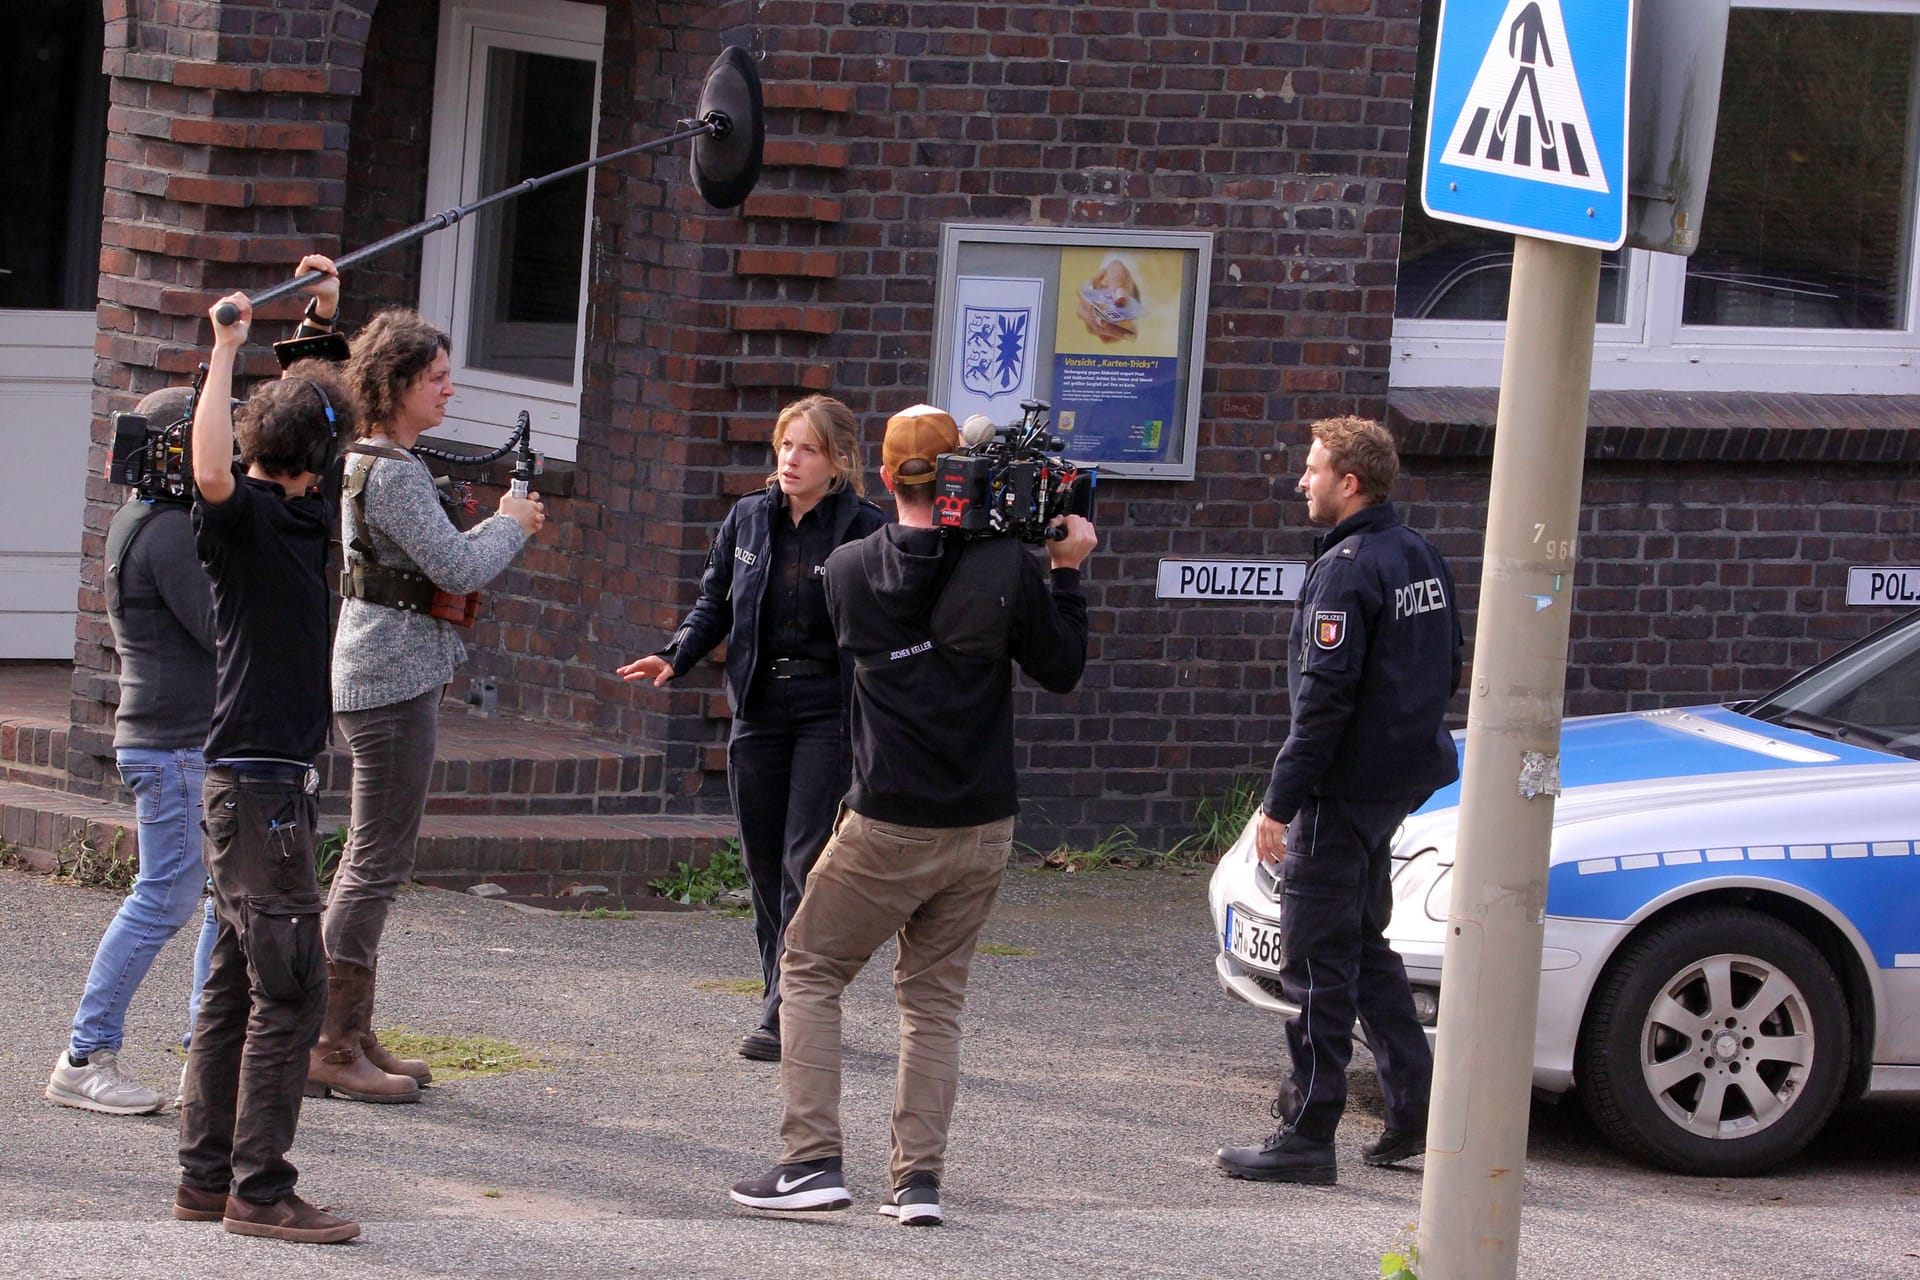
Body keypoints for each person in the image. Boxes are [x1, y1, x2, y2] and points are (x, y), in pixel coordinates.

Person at [729, 403, 1096, 1226]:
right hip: (982, 823)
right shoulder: (1008, 566)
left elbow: (897, 587)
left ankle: (811, 1161)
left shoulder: (852, 568)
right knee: (932, 1003)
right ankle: (917, 1183)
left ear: (886, 475)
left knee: (811, 968)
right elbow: (1062, 667)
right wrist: (1065, 570)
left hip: (888, 817)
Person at [1214, 415, 1463, 1186]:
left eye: (1313, 469)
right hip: (1393, 782)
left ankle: (1307, 1130)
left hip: (1342, 788)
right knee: (1360, 944)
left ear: (1348, 482)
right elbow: (1446, 662)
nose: (1302, 481)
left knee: (1316, 959)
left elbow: (1323, 702)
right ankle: (1418, 1110)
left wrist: (1279, 805)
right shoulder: (1418, 552)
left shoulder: (1347, 569)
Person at [306, 303, 545, 1104]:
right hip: (390, 681)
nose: (450, 389)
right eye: (437, 377)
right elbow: (455, 567)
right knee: (374, 862)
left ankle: (350, 1029)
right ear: (400, 383)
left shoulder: (369, 459)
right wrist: (512, 524)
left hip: (386, 674)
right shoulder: (394, 471)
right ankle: (330, 1042)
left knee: (375, 858)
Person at [176, 263, 361, 1244]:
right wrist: (225, 348)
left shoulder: (301, 511)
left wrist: (318, 313)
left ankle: (207, 1177)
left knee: (236, 983)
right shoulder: (245, 524)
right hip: (256, 789)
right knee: (291, 983)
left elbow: (319, 409)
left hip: (264, 786)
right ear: (299, 459)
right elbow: (209, 467)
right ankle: (260, 1188)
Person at [618, 395, 886, 1062]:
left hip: (827, 712)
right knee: (764, 863)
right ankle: (785, 991)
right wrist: (676, 653)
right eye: (785, 445)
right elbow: (715, 601)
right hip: (759, 710)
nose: (791, 460)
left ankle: (786, 1010)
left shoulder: (864, 529)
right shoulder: (748, 520)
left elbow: (884, 627)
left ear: (840, 462)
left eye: (809, 449)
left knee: (804, 862)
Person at [45, 386, 220, 1116]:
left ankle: (207, 1055)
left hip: (179, 742)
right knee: (167, 898)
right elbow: (223, 629)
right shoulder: (171, 532)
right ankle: (85, 1056)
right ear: (177, 451)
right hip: (175, 745)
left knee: (221, 899)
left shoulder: (140, 518)